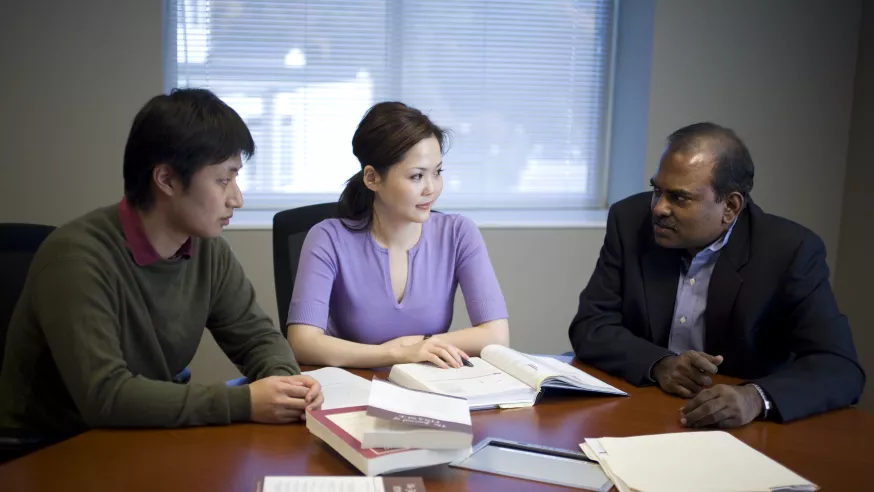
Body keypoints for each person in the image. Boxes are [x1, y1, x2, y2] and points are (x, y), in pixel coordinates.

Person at [0, 88, 323, 440]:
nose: (237, 198)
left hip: (138, 435)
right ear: (166, 179)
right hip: (48, 449)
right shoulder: (76, 258)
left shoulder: (206, 249)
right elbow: (106, 396)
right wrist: (245, 401)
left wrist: (287, 385)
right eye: (223, 179)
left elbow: (257, 338)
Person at [569, 122, 864, 428]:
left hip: (742, 429)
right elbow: (591, 324)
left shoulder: (789, 251)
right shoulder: (630, 222)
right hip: (644, 408)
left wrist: (754, 397)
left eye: (679, 197)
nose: (659, 208)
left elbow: (839, 366)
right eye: (657, 190)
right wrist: (659, 363)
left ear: (730, 207)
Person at [286, 102, 510, 369]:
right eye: (417, 176)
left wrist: (422, 346)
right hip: (351, 389)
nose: (431, 188)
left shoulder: (459, 233)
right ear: (372, 178)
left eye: (437, 173)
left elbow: (496, 335)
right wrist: (396, 354)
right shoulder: (327, 238)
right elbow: (302, 342)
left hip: (428, 388)